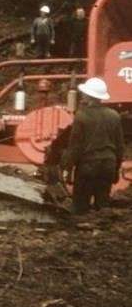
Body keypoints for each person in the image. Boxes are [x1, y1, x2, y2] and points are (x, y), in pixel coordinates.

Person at [60, 77, 124, 214]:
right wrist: (116, 170)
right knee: (103, 207)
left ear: (89, 96)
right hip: (109, 165)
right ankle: (102, 233)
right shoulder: (114, 115)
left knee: (80, 207)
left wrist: (67, 168)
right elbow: (120, 147)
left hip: (88, 166)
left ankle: (82, 232)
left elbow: (75, 147)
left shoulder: (82, 116)